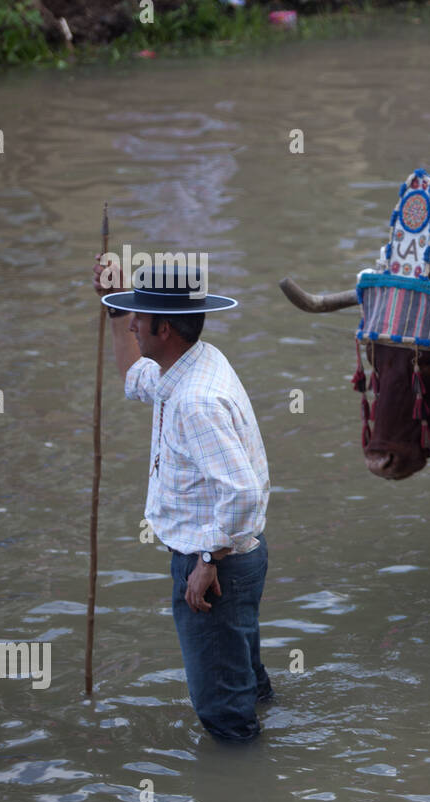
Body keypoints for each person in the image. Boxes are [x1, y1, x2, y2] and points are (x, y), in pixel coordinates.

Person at [94, 258, 272, 743]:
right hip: (233, 555)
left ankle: (243, 782)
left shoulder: (195, 400)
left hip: (215, 564)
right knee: (244, 682)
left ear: (164, 328)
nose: (132, 323)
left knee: (222, 711)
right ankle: (261, 745)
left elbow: (242, 491)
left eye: (138, 316)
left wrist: (208, 561)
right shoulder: (195, 361)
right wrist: (112, 307)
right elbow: (134, 378)